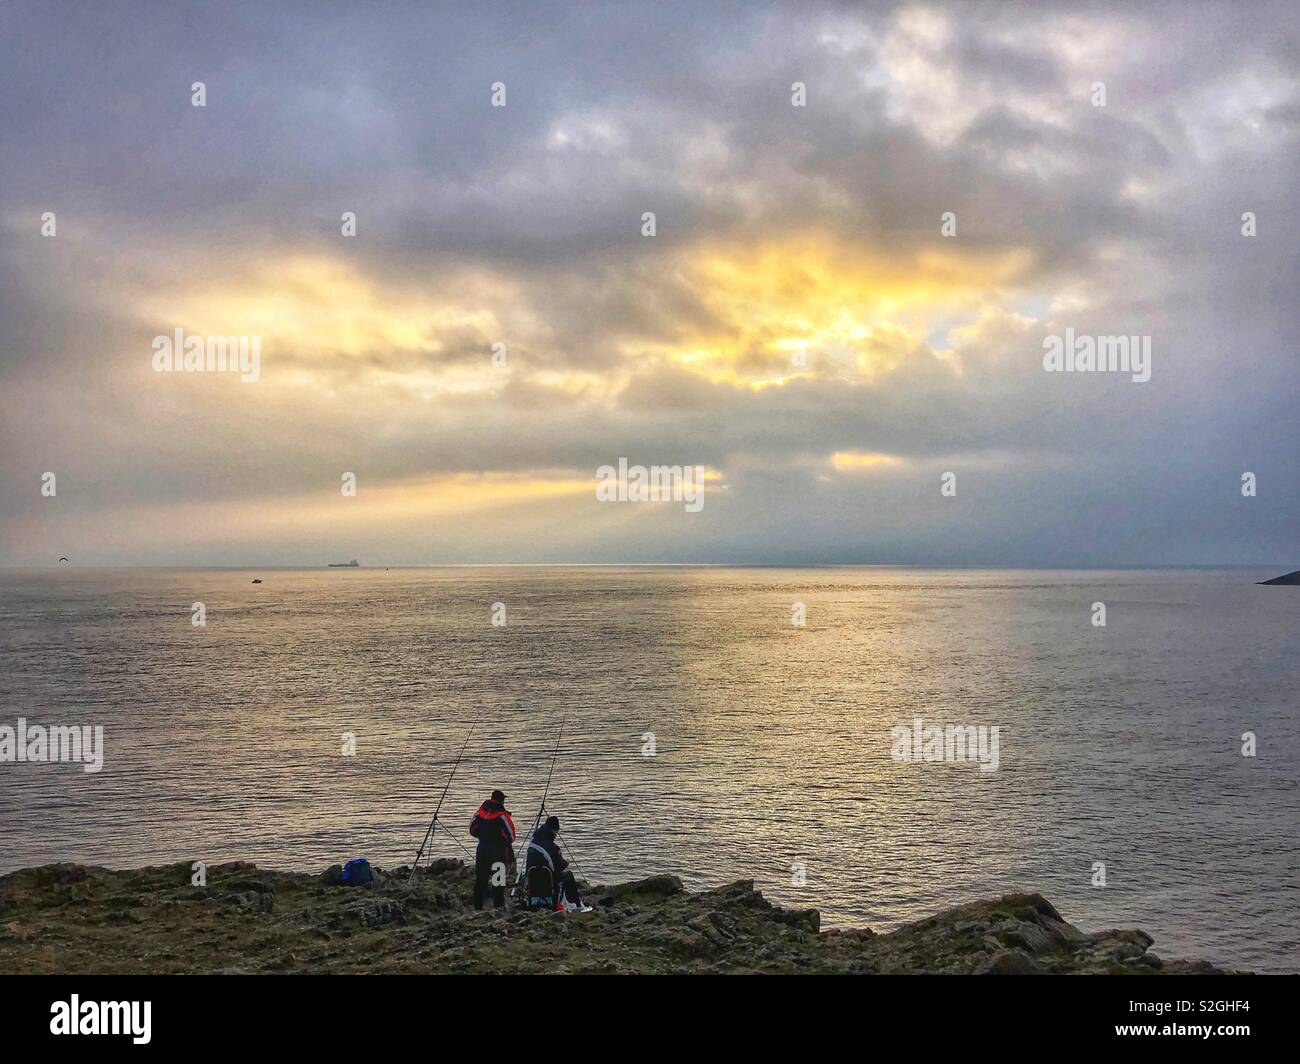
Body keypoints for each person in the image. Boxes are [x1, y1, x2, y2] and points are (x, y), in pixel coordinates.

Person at [525, 815, 586, 911]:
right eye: (557, 831)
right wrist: (565, 863)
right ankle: (577, 904)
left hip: (533, 878)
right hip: (547, 879)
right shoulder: (552, 847)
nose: (557, 834)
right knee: (568, 875)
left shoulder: (533, 842)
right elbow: (557, 867)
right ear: (553, 830)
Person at [469, 789, 516, 910]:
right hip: (498, 853)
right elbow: (511, 836)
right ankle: (498, 907)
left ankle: (478, 907)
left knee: (481, 881)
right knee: (498, 882)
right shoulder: (502, 815)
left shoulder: (481, 812)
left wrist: (483, 836)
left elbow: (472, 830)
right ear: (502, 801)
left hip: (482, 851)